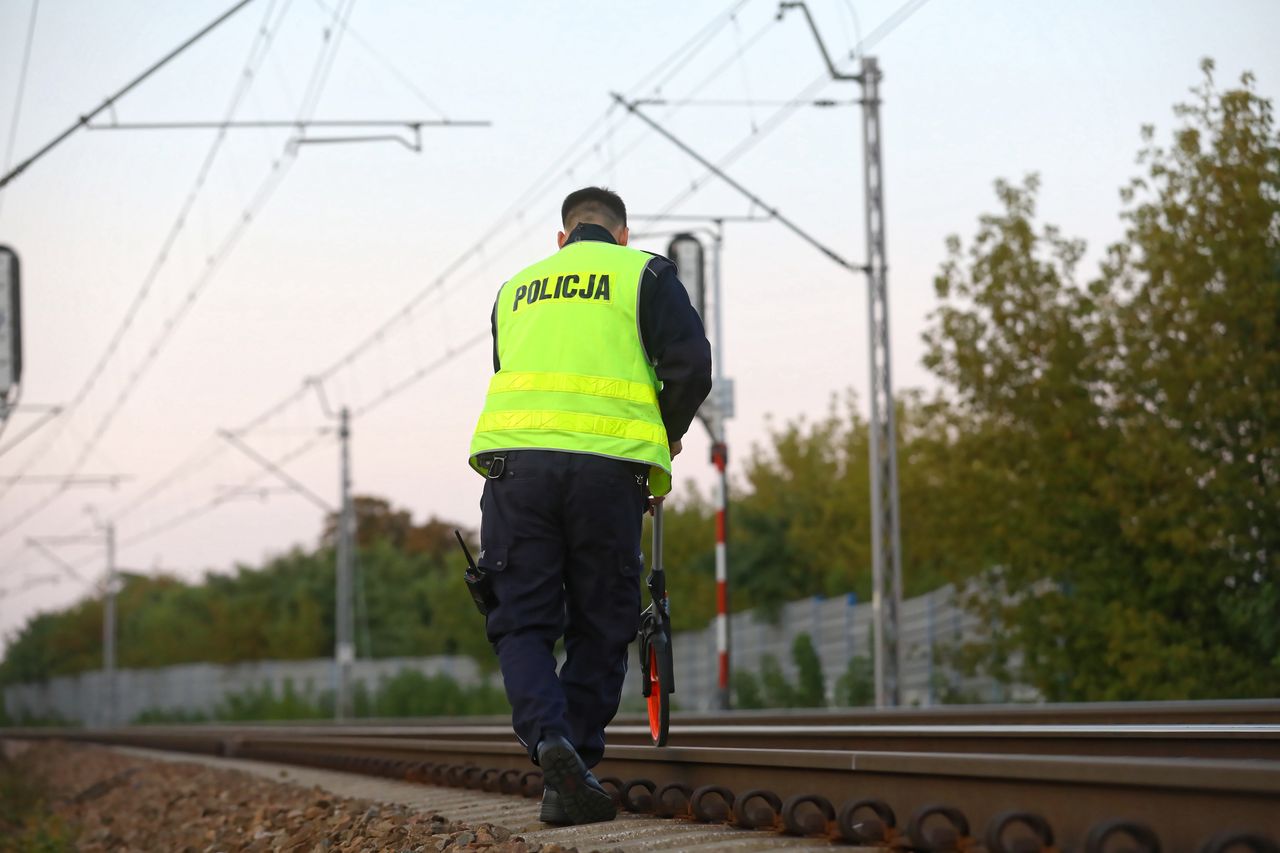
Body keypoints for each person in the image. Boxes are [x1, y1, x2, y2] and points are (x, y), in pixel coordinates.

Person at [468, 187, 712, 825]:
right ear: (622, 235)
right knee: (603, 624)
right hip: (608, 474)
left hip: (515, 471)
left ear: (562, 238)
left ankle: (550, 744)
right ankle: (572, 760)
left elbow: (510, 371)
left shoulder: (515, 289)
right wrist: (667, 428)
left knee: (521, 622)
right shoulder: (646, 272)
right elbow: (691, 367)